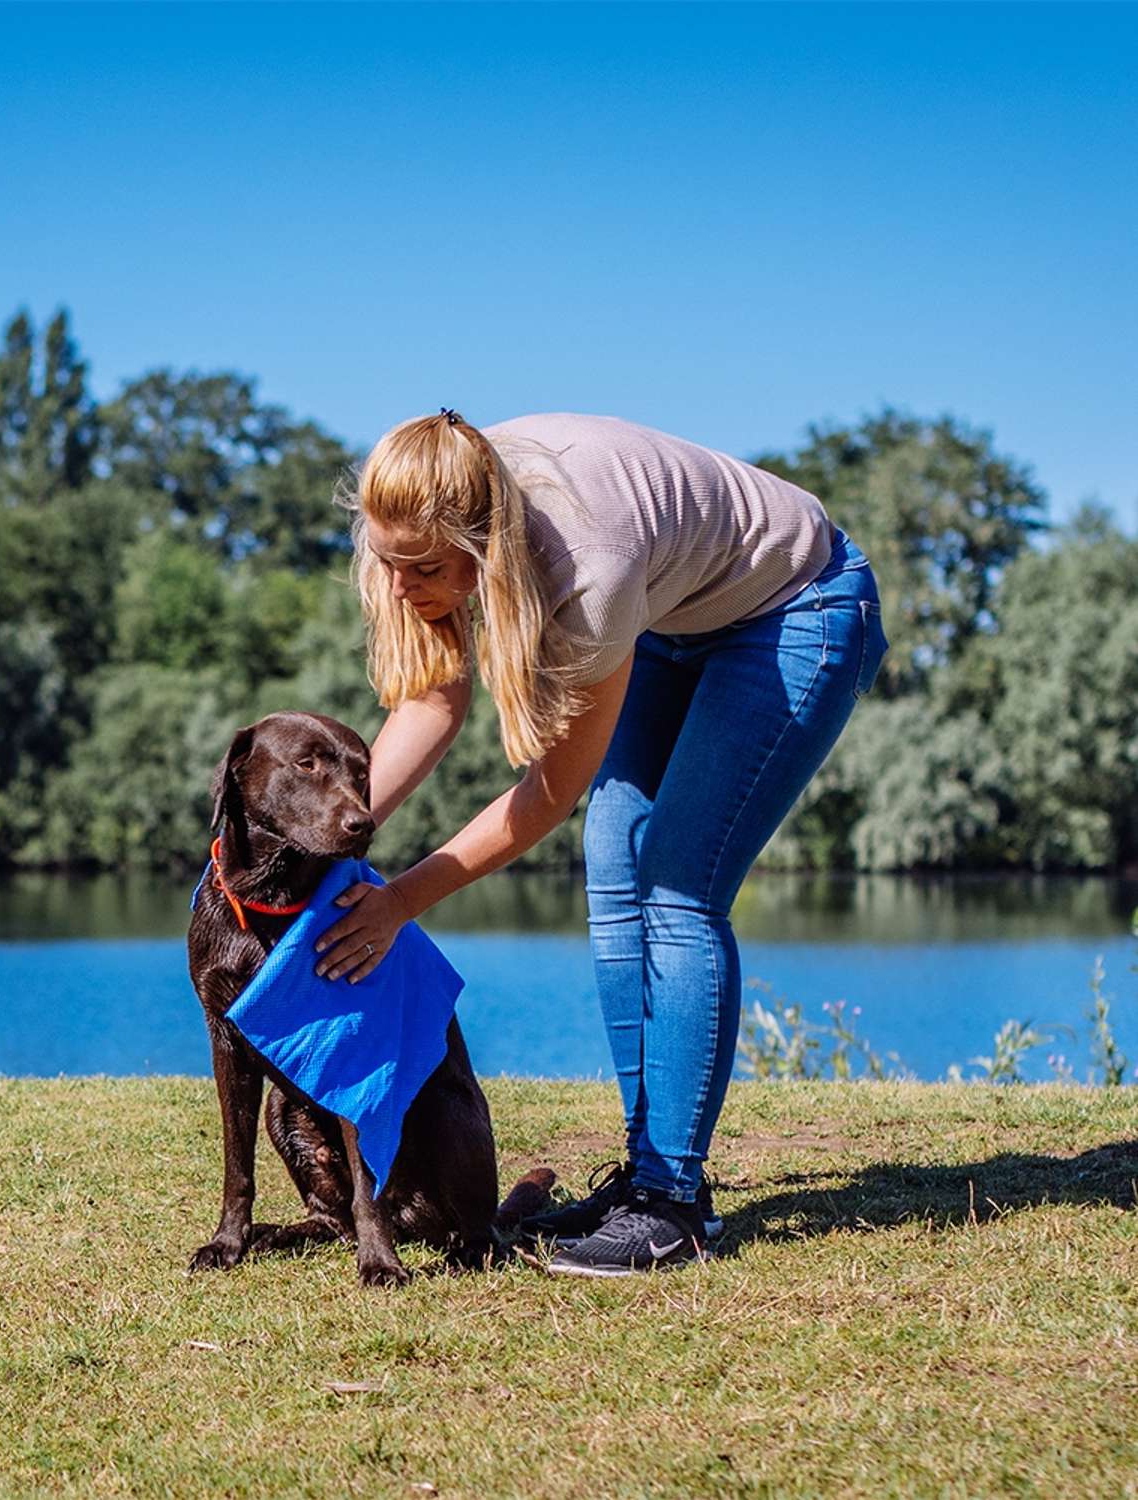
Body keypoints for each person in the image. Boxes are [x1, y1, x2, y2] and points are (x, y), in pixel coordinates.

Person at [312, 409, 888, 1276]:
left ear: (483, 542)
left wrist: (398, 902)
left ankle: (672, 1204)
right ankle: (644, 1180)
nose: (400, 587)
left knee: (677, 882)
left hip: (795, 605)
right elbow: (432, 699)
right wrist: (334, 839)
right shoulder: (414, 515)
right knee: (613, 864)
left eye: (424, 570)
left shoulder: (587, 567)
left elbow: (549, 792)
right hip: (671, 617)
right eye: (388, 562)